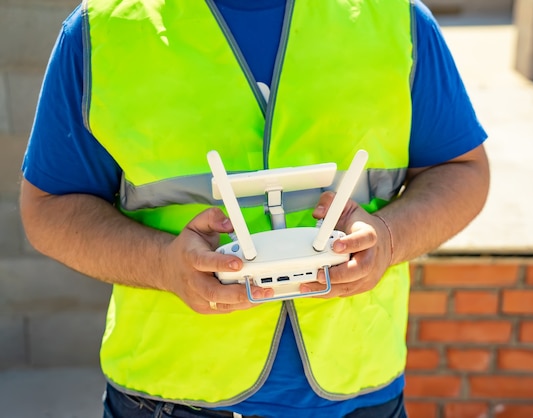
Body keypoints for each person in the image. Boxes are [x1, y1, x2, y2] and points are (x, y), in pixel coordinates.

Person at [20, 0, 490, 417]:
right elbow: (49, 207)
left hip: (360, 394)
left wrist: (390, 238)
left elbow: (461, 169)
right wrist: (163, 264)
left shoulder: (396, 17)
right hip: (169, 397)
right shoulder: (102, 30)